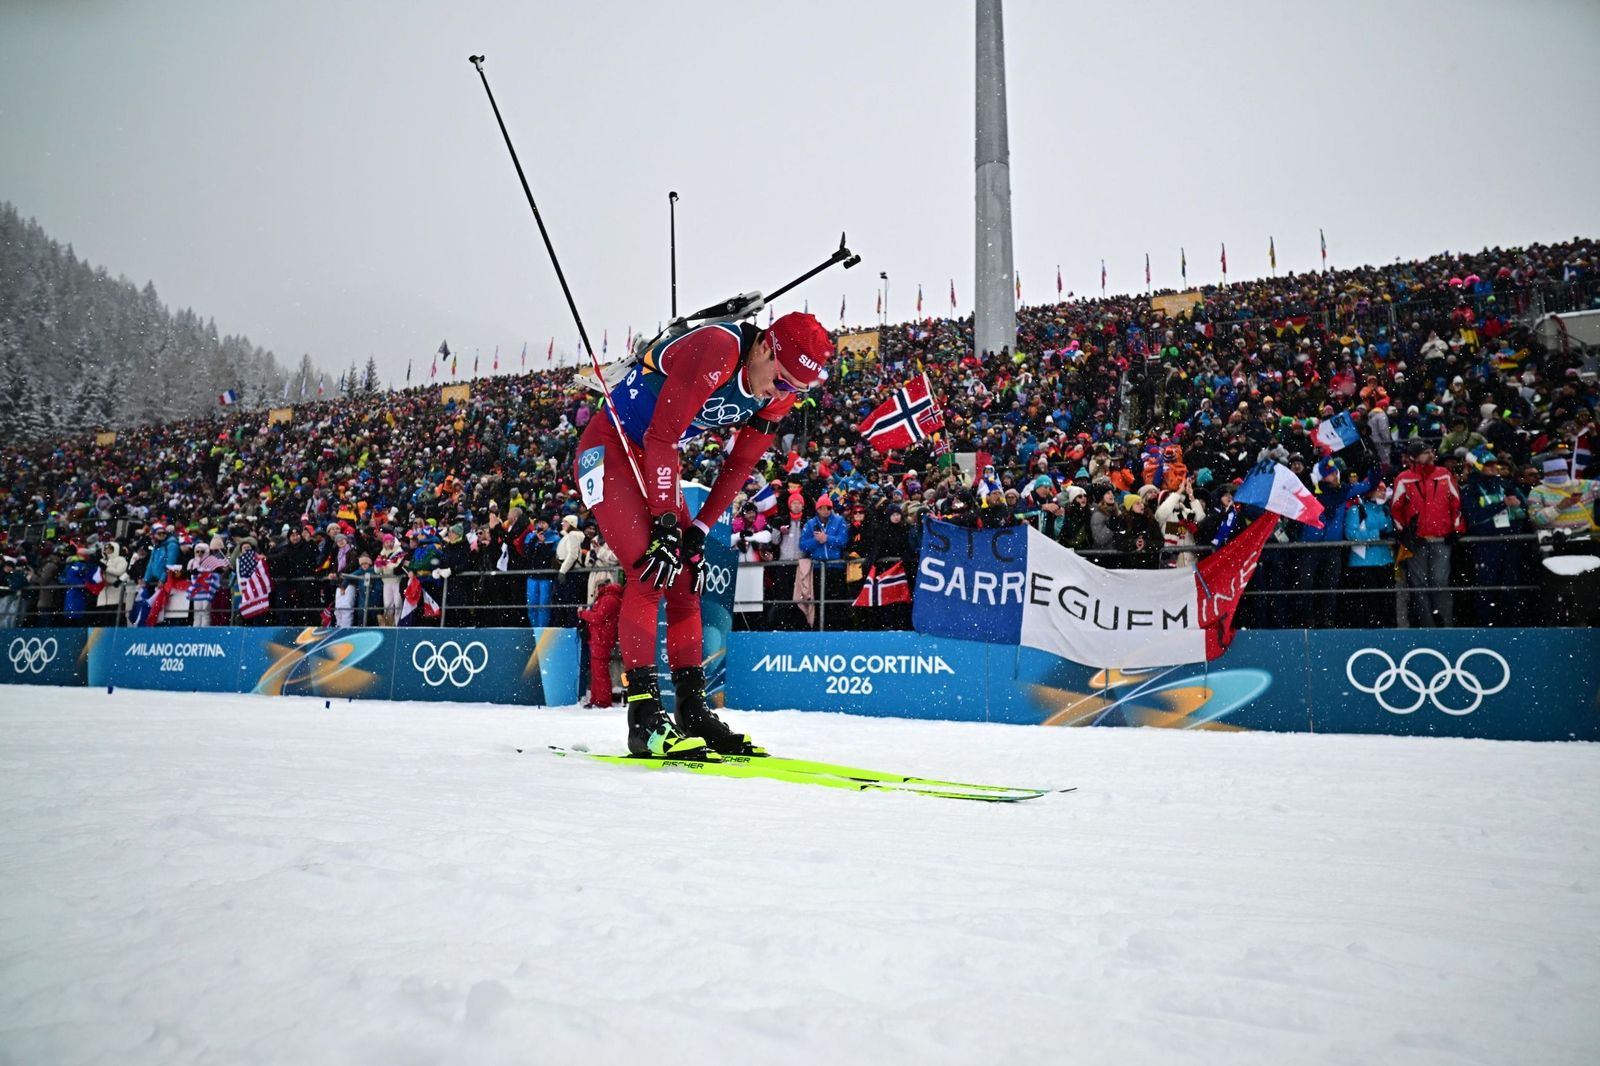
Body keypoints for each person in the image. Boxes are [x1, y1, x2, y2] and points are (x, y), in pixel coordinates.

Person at [573, 311, 834, 757]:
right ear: (765, 347)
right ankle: (644, 719)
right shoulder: (718, 348)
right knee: (650, 567)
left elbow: (740, 465)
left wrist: (696, 528)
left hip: (653, 455)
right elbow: (661, 437)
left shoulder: (778, 388)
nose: (782, 394)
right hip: (612, 446)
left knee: (685, 577)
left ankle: (692, 709)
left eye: (797, 391)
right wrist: (667, 524)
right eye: (783, 381)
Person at [1390, 441, 1463, 627]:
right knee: (1419, 585)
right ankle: (1428, 627)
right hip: (1417, 541)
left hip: (1441, 538)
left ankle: (1447, 625)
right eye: (1425, 452)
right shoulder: (1403, 478)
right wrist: (1404, 532)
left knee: (1440, 581)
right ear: (1413, 457)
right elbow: (1396, 509)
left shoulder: (1444, 475)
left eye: (1431, 451)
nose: (1430, 455)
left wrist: (1456, 529)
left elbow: (1456, 503)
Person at [577, 578, 623, 707]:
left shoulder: (608, 599)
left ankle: (602, 701)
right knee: (597, 671)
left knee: (600, 672)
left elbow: (598, 618)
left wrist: (582, 614)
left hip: (601, 639)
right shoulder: (609, 598)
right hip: (600, 638)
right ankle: (596, 699)